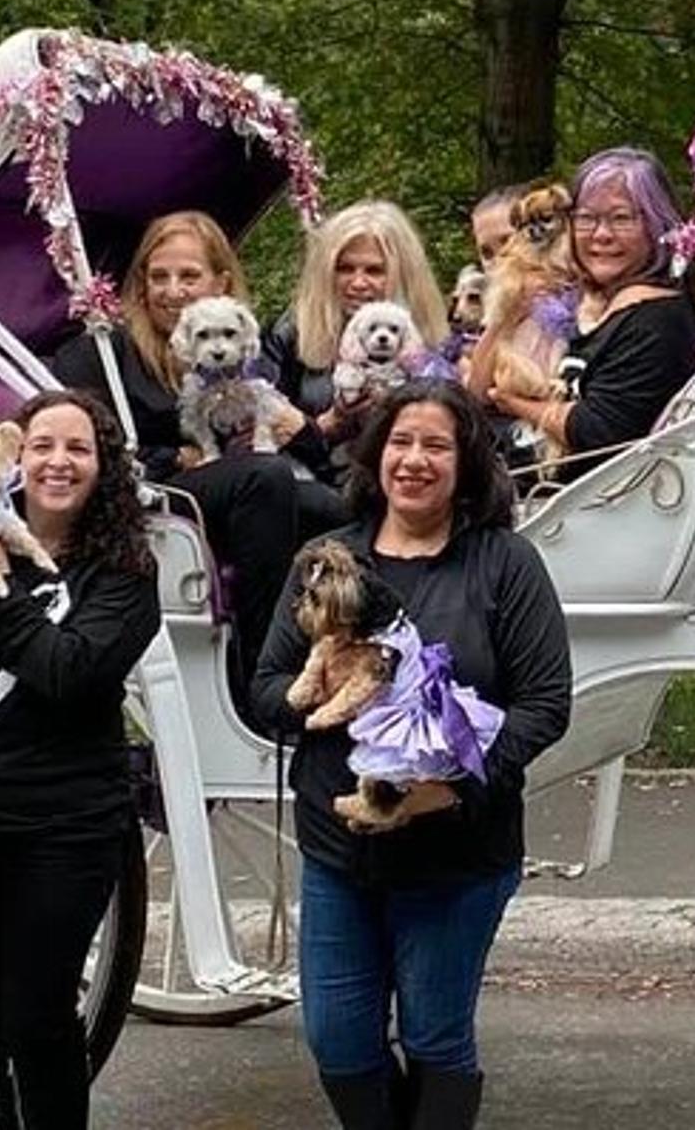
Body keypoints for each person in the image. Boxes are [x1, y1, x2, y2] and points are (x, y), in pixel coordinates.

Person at [250, 380, 572, 1130]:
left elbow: (545, 704)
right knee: (337, 1037)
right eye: (401, 442)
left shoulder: (505, 563)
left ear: (466, 463)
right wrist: (324, 696)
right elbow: (265, 689)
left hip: (457, 849)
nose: (415, 460)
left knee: (434, 1033)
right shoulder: (328, 559)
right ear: (375, 454)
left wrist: (453, 780)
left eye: (436, 445)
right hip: (341, 846)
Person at [0, 389, 161, 1130]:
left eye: (78, 448)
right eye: (42, 446)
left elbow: (69, 671)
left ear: (103, 466)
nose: (58, 461)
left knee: (38, 1011)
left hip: (67, 823)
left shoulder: (125, 573)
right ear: (15, 458)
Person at [50, 209, 324, 682]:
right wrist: (174, 455)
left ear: (220, 282)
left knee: (338, 508)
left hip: (245, 486)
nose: (172, 290)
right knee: (266, 476)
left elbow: (294, 432)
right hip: (160, 492)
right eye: (159, 277)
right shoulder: (108, 350)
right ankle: (266, 669)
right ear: (140, 284)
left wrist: (301, 430)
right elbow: (88, 442)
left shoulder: (244, 350)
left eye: (188, 276)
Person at [486, 148, 695, 482]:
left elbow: (599, 432)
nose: (601, 234)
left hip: (569, 513)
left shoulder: (656, 321)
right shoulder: (582, 302)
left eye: (621, 218)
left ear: (656, 225)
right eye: (587, 219)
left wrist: (512, 402)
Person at [267, 199, 453, 447]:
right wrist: (329, 424)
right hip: (314, 475)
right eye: (345, 269)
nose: (358, 283)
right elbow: (267, 437)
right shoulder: (291, 332)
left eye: (374, 271)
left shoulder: (427, 336)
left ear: (404, 274)